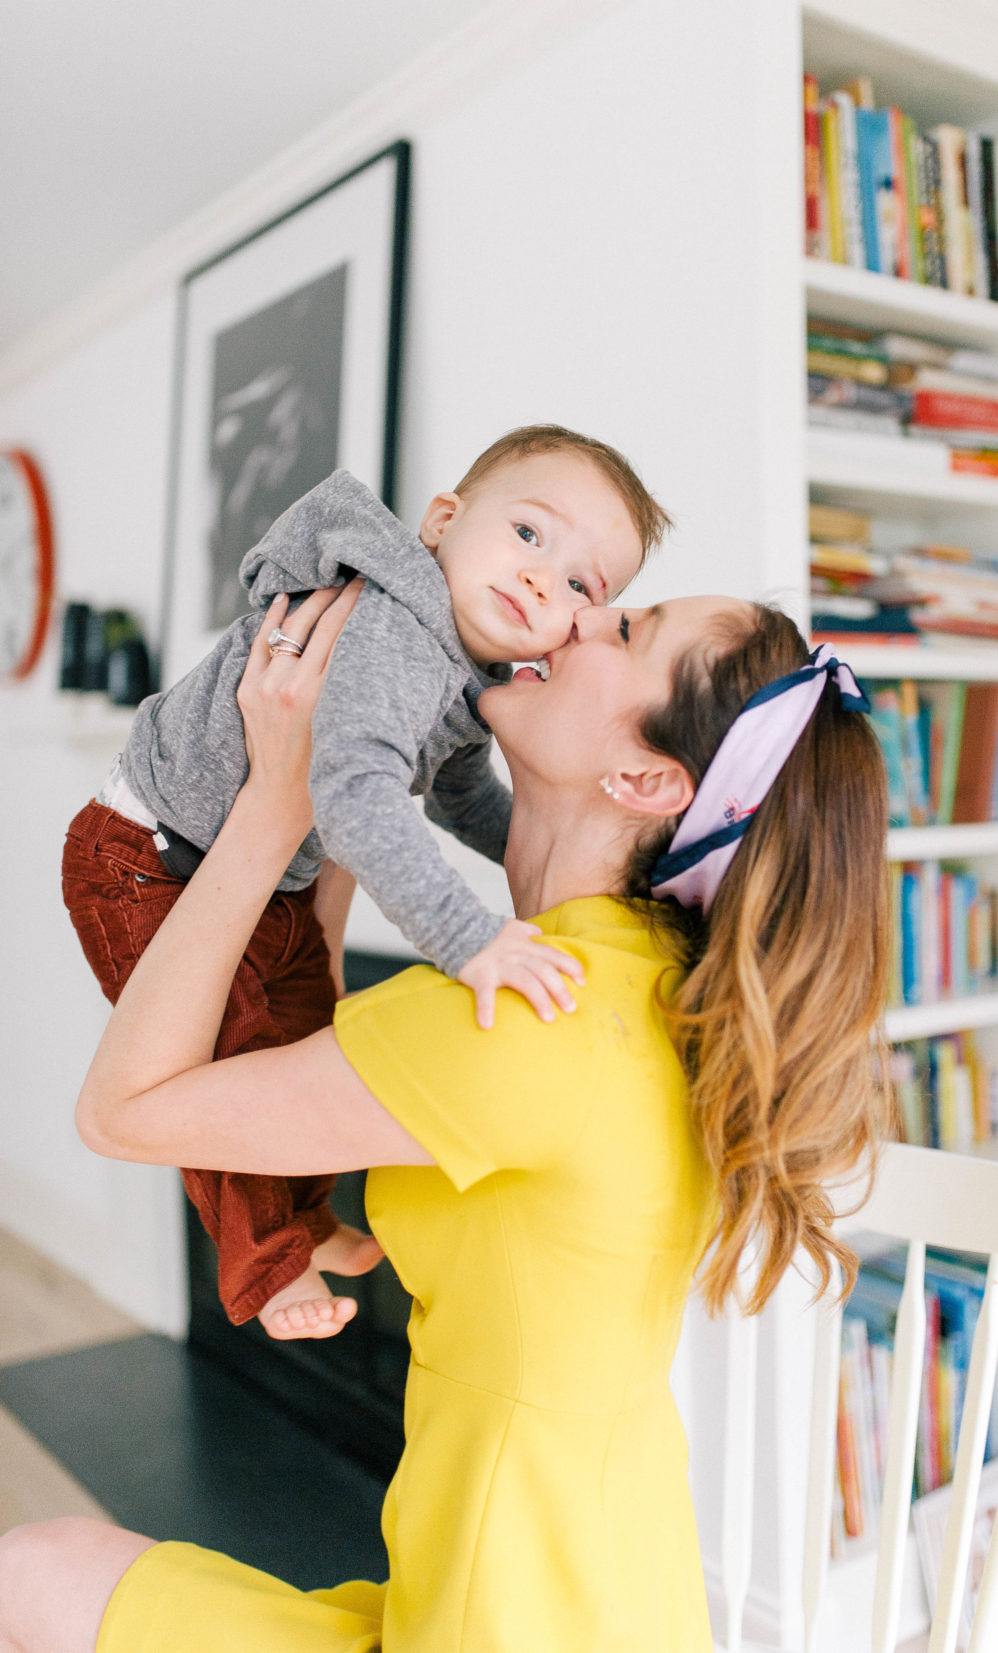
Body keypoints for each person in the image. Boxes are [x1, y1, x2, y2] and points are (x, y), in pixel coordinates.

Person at [5, 581, 893, 1652]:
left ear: (647, 777)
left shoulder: (528, 1021)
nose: (576, 617)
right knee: (38, 1573)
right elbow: (317, 1052)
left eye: (625, 630)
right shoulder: (627, 983)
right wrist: (342, 776)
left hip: (499, 1622)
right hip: (594, 1597)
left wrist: (276, 803)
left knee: (28, 1579)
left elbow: (126, 1111)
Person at [61, 424, 666, 1341]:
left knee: (301, 1026)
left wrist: (554, 878)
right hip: (147, 853)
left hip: (252, 877)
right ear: (441, 521)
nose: (545, 579)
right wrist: (470, 938)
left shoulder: (469, 675)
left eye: (583, 584)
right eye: (530, 535)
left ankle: (305, 1223)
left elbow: (458, 796)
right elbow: (352, 794)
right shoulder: (400, 629)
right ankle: (265, 1263)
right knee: (239, 1051)